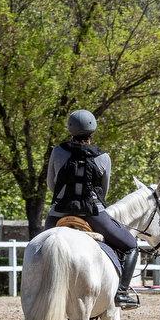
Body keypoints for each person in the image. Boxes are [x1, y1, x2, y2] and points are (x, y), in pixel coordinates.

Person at [44, 109, 140, 308]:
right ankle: (121, 292)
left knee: (39, 248)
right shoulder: (103, 157)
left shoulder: (57, 151)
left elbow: (51, 185)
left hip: (59, 212)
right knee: (131, 246)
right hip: (92, 213)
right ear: (93, 131)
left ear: (70, 129)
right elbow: (103, 191)